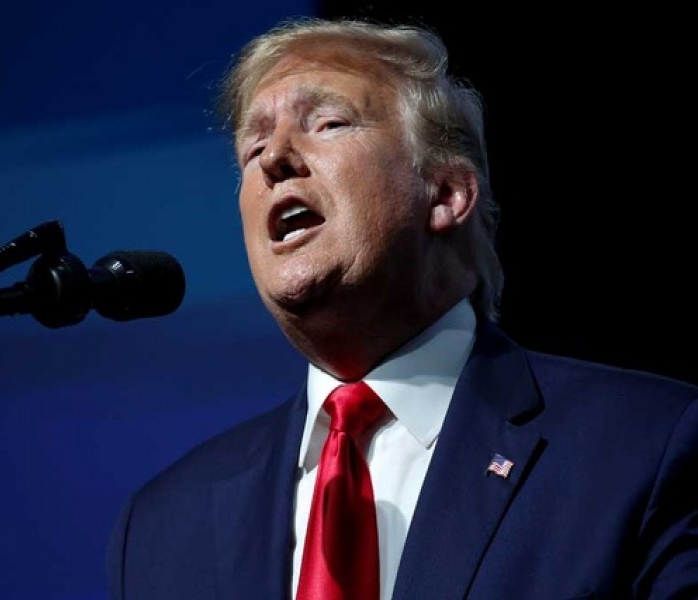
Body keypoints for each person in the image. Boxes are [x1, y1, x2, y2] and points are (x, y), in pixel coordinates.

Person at [105, 16, 698, 599]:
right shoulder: (160, 529)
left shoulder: (642, 447)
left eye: (329, 123)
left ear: (445, 194)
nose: (274, 159)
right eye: (253, 146)